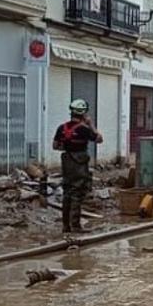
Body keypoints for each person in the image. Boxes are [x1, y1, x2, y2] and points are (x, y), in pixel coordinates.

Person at [52, 98, 103, 234]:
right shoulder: (84, 129)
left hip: (67, 162)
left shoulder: (61, 128)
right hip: (79, 163)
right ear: (83, 114)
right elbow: (99, 139)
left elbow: (55, 146)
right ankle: (75, 226)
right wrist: (91, 125)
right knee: (77, 193)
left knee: (67, 193)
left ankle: (65, 226)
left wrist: (69, 144)